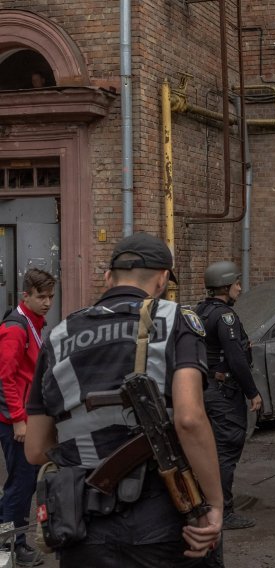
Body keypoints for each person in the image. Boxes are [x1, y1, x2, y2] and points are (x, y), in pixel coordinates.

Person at [24, 232, 222, 567]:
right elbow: (189, 419)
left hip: (80, 524)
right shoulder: (175, 320)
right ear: (162, 280)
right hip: (162, 520)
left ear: (107, 277)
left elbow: (35, 448)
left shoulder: (58, 335)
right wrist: (214, 504)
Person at [195, 261, 262, 543]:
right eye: (236, 283)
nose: (239, 287)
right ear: (224, 286)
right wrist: (252, 392)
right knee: (225, 450)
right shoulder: (225, 318)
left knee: (207, 449)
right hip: (224, 393)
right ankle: (225, 509)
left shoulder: (200, 311)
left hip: (204, 389)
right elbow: (235, 359)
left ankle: (203, 502)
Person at [0, 268, 55, 567]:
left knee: (21, 484)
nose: (47, 302)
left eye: (50, 296)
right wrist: (18, 419)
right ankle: (13, 547)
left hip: (27, 418)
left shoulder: (34, 323)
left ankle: (5, 535)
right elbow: (4, 379)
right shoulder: (15, 328)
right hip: (16, 422)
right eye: (41, 297)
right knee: (21, 486)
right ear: (26, 296)